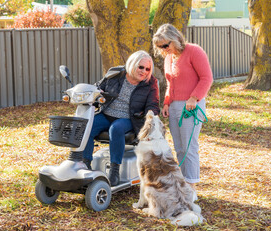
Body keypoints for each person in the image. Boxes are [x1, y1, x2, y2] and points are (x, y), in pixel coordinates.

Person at [82, 50, 160, 186]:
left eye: (147, 69)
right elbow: (97, 88)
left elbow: (153, 106)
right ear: (132, 64)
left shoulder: (151, 83)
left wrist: (150, 120)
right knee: (87, 125)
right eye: (141, 67)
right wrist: (96, 93)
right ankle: (85, 166)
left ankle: (114, 171)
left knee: (116, 128)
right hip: (107, 114)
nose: (144, 71)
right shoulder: (116, 74)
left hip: (129, 119)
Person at [152, 23, 213, 190]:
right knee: (179, 147)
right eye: (160, 47)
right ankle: (184, 183)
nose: (164, 49)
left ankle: (191, 188)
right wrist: (166, 103)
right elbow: (170, 84)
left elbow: (207, 78)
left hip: (191, 106)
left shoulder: (194, 51)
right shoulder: (169, 58)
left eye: (166, 45)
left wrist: (194, 98)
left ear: (175, 39)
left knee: (189, 147)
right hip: (173, 106)